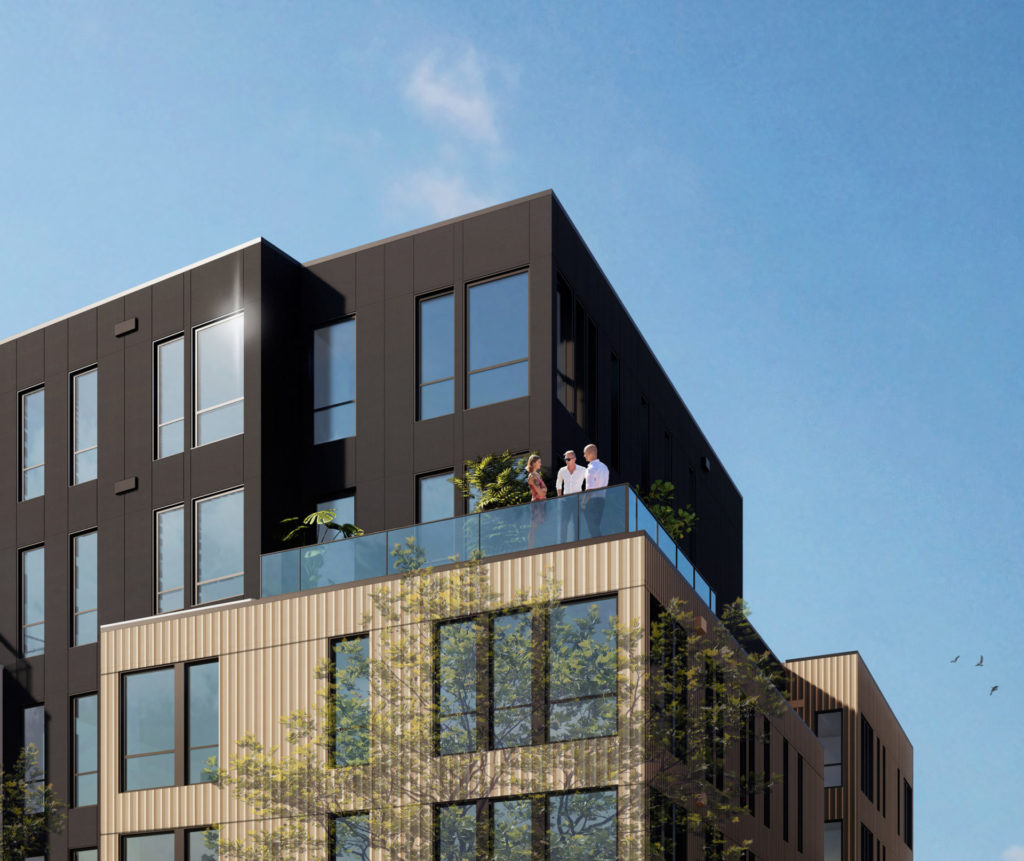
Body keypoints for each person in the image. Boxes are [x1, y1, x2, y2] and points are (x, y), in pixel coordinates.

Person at [555, 450, 586, 540]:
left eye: (568, 459)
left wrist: (585, 495)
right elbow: (558, 483)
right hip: (566, 500)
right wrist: (560, 497)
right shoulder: (562, 470)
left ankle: (577, 542)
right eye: (565, 459)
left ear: (574, 459)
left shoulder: (582, 470)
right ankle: (562, 543)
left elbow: (589, 481)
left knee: (577, 522)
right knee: (564, 522)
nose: (566, 461)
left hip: (578, 499)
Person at [582, 443, 609, 536]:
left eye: (585, 453)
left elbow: (589, 489)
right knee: (597, 526)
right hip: (602, 500)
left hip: (592, 502)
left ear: (590, 453)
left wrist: (583, 503)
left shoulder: (590, 469)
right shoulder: (605, 467)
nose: (584, 456)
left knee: (592, 528)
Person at [527, 453, 547, 547]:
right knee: (534, 528)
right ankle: (531, 549)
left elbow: (545, 490)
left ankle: (537, 546)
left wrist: (543, 490)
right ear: (534, 463)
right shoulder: (532, 477)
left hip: (541, 503)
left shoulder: (537, 475)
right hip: (536, 504)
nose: (541, 464)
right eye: (539, 462)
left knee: (540, 528)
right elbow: (541, 492)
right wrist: (543, 490)